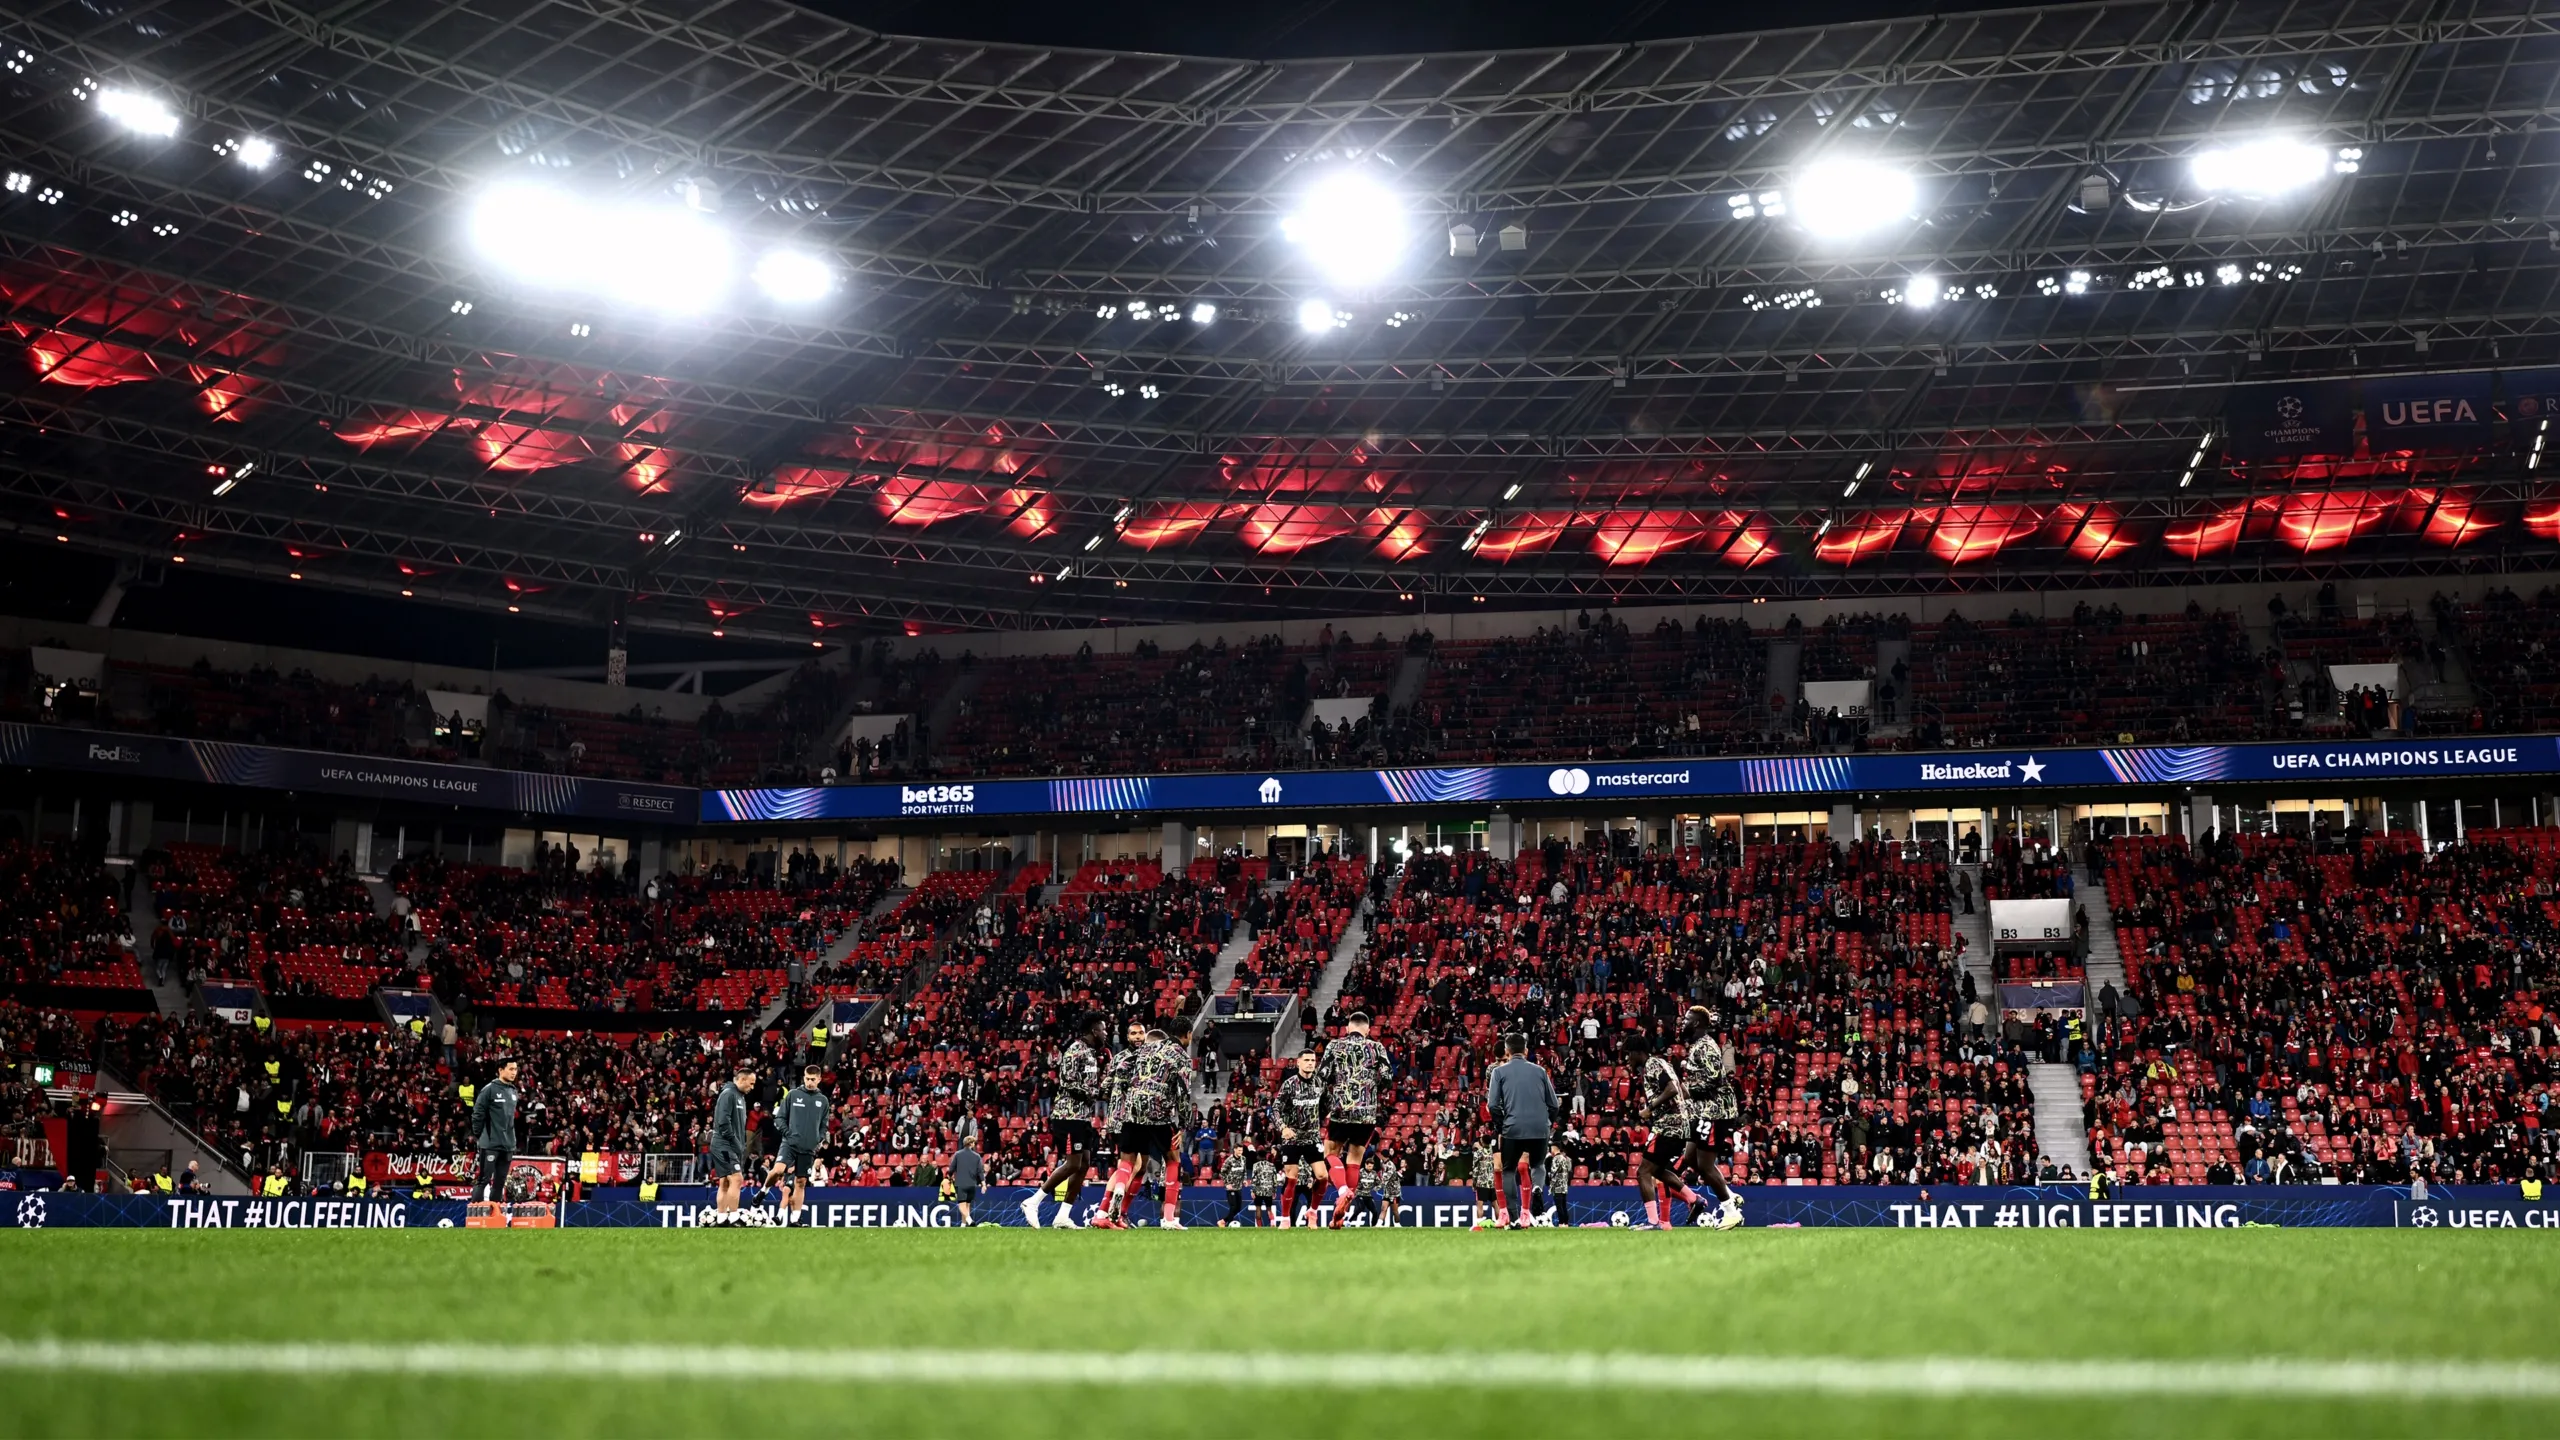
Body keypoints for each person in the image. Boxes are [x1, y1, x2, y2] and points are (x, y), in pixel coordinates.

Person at [1089, 1023, 1194, 1229]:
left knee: (1128, 1162)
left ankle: (1119, 1193)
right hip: (1158, 1112)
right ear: (1188, 1034)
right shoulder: (1180, 1055)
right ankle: (1169, 1219)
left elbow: (1110, 1084)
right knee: (1172, 1159)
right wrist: (1182, 1124)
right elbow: (1183, 1092)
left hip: (1130, 1111)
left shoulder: (1139, 1052)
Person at [1025, 1012, 1108, 1229]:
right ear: (1093, 1031)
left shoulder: (1091, 1052)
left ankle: (1063, 1215)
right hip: (1068, 1115)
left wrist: (1100, 1089)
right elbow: (1067, 1081)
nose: (1106, 1033)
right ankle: (1033, 1202)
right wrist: (1091, 1093)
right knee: (1073, 1164)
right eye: (1103, 1029)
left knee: (1085, 1163)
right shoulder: (1076, 1050)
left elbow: (1089, 1086)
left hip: (1082, 1116)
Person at [1314, 1011, 1394, 1229]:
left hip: (1341, 1109)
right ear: (1368, 1030)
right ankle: (1340, 1215)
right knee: (1355, 1160)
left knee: (1330, 1153)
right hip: (1367, 1113)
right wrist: (1371, 1088)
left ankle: (1342, 1191)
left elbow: (1321, 1078)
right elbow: (1387, 1078)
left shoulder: (1335, 1046)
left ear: (1347, 1029)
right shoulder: (1377, 1048)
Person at [1675, 1007, 1746, 1230]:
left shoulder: (1706, 1047)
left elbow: (1713, 1081)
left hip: (1715, 1111)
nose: (1682, 1022)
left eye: (1686, 1019)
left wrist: (1684, 1090)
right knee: (1689, 1158)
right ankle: (1730, 1194)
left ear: (1696, 1024)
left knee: (1705, 1166)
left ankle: (1730, 1211)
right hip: (1703, 1111)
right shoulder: (1697, 1046)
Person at [1485, 1030, 1558, 1229]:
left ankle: (1512, 1215)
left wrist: (1501, 1125)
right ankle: (1534, 1192)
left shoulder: (1498, 1072)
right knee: (1537, 1165)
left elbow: (1492, 1105)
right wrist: (1547, 1123)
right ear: (1526, 1050)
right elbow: (1555, 1105)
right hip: (1539, 1127)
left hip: (1513, 1127)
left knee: (1508, 1170)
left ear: (1507, 1052)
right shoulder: (1540, 1071)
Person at [768, 1064, 832, 1226]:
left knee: (801, 1182)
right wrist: (788, 1133)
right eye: (807, 1078)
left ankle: (795, 1219)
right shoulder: (793, 1095)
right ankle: (764, 1192)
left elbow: (824, 1125)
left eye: (813, 1079)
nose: (809, 1082)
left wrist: (819, 1138)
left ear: (819, 1079)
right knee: (778, 1171)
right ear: (804, 1078)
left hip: (808, 1148)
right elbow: (779, 1118)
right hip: (790, 1144)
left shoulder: (823, 1100)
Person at [1272, 1048, 1324, 1227]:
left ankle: (1313, 1212)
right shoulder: (1289, 1084)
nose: (1310, 1063)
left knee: (1322, 1176)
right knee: (1292, 1178)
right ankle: (1285, 1218)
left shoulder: (1319, 1082)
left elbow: (1326, 1104)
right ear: (1299, 1062)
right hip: (1292, 1138)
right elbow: (1275, 1109)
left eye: (1313, 1060)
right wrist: (1283, 1128)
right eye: (1307, 1060)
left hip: (1312, 1138)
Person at [469, 1057, 521, 1206]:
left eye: (515, 1069)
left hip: (508, 1145)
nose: (514, 1073)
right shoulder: (489, 1090)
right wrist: (482, 1136)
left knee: (500, 1182)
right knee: (484, 1180)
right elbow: (477, 1115)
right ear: (500, 1070)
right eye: (511, 1069)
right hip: (490, 1143)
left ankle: (494, 1216)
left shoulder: (513, 1091)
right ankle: (476, 1215)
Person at [710, 1060, 756, 1224]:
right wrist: (737, 1143)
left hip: (729, 1145)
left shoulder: (740, 1097)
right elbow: (723, 1122)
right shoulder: (729, 1094)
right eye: (751, 1083)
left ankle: (722, 1219)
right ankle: (734, 1217)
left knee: (725, 1182)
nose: (752, 1087)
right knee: (737, 1179)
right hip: (724, 1144)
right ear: (742, 1080)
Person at [1545, 1135, 1577, 1227]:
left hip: (1558, 1186)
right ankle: (1566, 1223)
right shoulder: (1564, 1158)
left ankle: (1561, 1223)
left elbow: (1553, 1172)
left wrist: (1551, 1186)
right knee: (1563, 1205)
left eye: (1551, 1148)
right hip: (1564, 1185)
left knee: (1559, 1206)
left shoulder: (1556, 1158)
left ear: (1555, 1148)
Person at [951, 1138, 983, 1225]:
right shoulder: (977, 1156)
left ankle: (969, 1220)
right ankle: (963, 1224)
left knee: (962, 1204)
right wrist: (983, 1184)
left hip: (960, 1183)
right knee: (967, 1204)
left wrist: (949, 1177)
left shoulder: (957, 1154)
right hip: (972, 1183)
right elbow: (980, 1171)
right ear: (971, 1144)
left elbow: (951, 1168)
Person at [1220, 1144, 1252, 1228]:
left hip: (1239, 1187)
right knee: (1233, 1206)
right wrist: (1227, 1183)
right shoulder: (1229, 1160)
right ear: (1234, 1150)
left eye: (1241, 1150)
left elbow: (1244, 1171)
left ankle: (1223, 1221)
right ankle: (1229, 1224)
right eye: (1239, 1150)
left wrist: (1244, 1180)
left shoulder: (1243, 1159)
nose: (1240, 1152)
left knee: (1238, 1208)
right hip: (1231, 1187)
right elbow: (1222, 1172)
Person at [1248, 1151, 1281, 1228]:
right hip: (1268, 1190)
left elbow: (1254, 1179)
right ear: (1266, 1156)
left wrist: (1252, 1190)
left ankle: (1259, 1227)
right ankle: (1272, 1223)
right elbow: (1274, 1179)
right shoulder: (1271, 1165)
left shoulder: (1255, 1165)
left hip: (1258, 1190)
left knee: (1258, 1208)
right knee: (1269, 1208)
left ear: (1258, 1157)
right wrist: (1274, 1191)